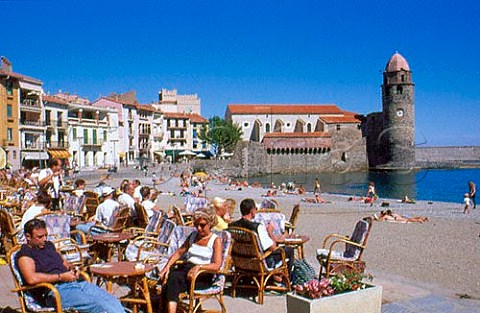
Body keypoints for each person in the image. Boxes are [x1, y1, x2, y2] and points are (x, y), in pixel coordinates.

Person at [16, 219, 125, 313]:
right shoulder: (25, 254)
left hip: (77, 283)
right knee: (99, 306)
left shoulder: (49, 245)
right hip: (56, 290)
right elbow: (31, 278)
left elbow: (64, 263)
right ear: (28, 237)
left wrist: (73, 269)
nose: (44, 239)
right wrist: (61, 277)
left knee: (112, 301)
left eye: (46, 235)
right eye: (40, 237)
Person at [158, 207, 222, 313]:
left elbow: (217, 265)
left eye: (202, 225)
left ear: (210, 223)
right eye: (196, 225)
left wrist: (199, 267)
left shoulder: (215, 240)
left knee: (173, 280)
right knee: (170, 279)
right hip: (187, 270)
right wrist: (166, 267)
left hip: (203, 274)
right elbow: (179, 252)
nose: (199, 228)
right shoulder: (193, 236)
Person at [229, 198, 294, 277]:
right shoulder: (257, 227)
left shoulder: (232, 226)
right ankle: (286, 281)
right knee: (289, 250)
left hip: (240, 263)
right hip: (258, 264)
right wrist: (270, 231)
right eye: (256, 209)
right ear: (252, 210)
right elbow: (272, 247)